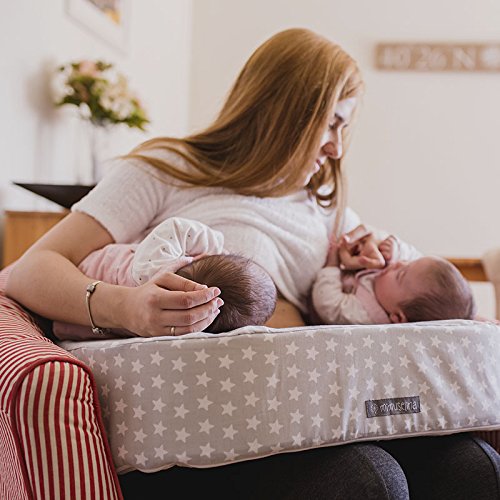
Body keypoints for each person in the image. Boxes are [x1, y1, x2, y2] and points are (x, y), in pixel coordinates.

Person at [6, 28, 499, 499]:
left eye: (345, 127)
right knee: (368, 477)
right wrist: (127, 307)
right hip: (213, 432)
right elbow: (27, 270)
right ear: (285, 112)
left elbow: (386, 298)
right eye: (331, 122)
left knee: (476, 467)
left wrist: (363, 261)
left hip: (316, 417)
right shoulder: (167, 171)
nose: (337, 146)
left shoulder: (323, 207)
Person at [52, 216, 277, 339]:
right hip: (76, 321)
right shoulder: (164, 327)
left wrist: (216, 243)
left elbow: (176, 227)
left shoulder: (155, 264)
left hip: (87, 270)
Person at [311, 233, 475, 325]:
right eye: (407, 264)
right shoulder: (393, 283)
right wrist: (393, 248)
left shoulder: (366, 315)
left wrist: (331, 265)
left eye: (400, 274)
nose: (398, 264)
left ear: (397, 317)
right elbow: (409, 255)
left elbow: (329, 304)